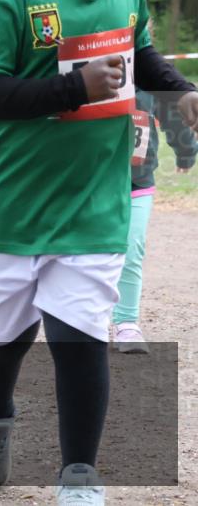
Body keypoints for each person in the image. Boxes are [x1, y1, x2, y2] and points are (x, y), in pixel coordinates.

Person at [0, 0, 198, 503]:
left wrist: (180, 91)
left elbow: (139, 52)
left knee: (80, 335)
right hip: (11, 210)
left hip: (94, 203)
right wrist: (74, 89)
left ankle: (79, 474)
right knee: (4, 336)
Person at [111, 88, 196, 353]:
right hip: (88, 182)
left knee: (132, 247)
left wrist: (186, 151)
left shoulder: (149, 79)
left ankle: (126, 322)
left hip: (137, 180)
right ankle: (80, 320)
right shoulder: (80, 70)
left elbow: (173, 115)